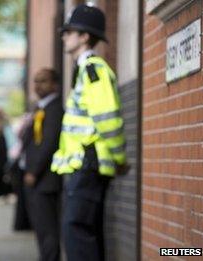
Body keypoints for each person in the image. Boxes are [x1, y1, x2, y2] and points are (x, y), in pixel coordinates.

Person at [51, 4, 127, 261]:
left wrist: (119, 159)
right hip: (83, 166)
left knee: (77, 232)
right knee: (84, 232)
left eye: (69, 31)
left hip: (87, 165)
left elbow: (108, 120)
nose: (64, 36)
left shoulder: (94, 70)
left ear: (84, 36)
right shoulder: (86, 70)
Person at [22, 68, 63, 261]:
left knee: (47, 230)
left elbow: (48, 143)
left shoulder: (54, 109)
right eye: (35, 81)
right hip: (36, 180)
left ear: (55, 84)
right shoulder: (39, 109)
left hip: (45, 180)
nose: (38, 85)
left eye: (43, 81)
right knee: (40, 228)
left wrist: (33, 171)